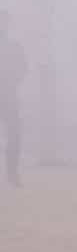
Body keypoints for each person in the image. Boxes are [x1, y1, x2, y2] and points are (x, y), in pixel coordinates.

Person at [0, 10, 27, 187]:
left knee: (14, 135)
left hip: (9, 96)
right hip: (9, 95)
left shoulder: (14, 48)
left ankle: (12, 174)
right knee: (14, 135)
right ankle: (12, 174)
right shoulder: (14, 48)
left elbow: (23, 68)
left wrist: (13, 80)